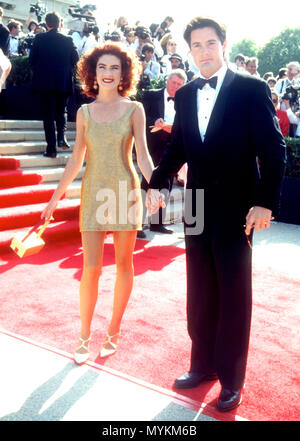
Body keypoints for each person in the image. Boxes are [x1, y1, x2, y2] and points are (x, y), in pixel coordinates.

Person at [147, 16, 286, 412]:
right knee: (200, 289)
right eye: (196, 46)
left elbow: (273, 151)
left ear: (223, 44)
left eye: (210, 44)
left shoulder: (251, 88)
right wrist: (157, 182)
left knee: (232, 292)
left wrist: (265, 202)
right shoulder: (187, 94)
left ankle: (231, 377)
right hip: (198, 205)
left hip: (238, 208)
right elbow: (179, 147)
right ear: (189, 51)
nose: (204, 52)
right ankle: (202, 364)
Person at [41, 42, 155, 365]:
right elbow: (76, 159)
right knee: (90, 269)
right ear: (93, 72)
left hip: (124, 192)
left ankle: (114, 329)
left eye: (114, 68)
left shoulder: (135, 109)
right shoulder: (83, 112)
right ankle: (84, 334)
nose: (107, 73)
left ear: (124, 74)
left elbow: (143, 156)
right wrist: (54, 198)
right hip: (92, 193)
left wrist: (158, 184)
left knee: (123, 265)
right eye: (102, 67)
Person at [140, 69, 186, 237]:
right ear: (167, 81)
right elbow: (142, 115)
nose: (176, 86)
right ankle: (138, 224)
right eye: (174, 83)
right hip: (152, 146)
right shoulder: (151, 95)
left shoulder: (185, 99)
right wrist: (155, 121)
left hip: (172, 147)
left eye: (180, 84)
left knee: (166, 184)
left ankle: (157, 224)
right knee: (147, 182)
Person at [29, 12, 79, 158]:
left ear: (47, 24)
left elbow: (31, 60)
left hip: (45, 82)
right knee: (61, 111)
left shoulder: (39, 38)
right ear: (59, 24)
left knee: (48, 116)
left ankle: (51, 149)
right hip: (63, 82)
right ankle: (61, 138)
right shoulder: (68, 39)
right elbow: (76, 59)